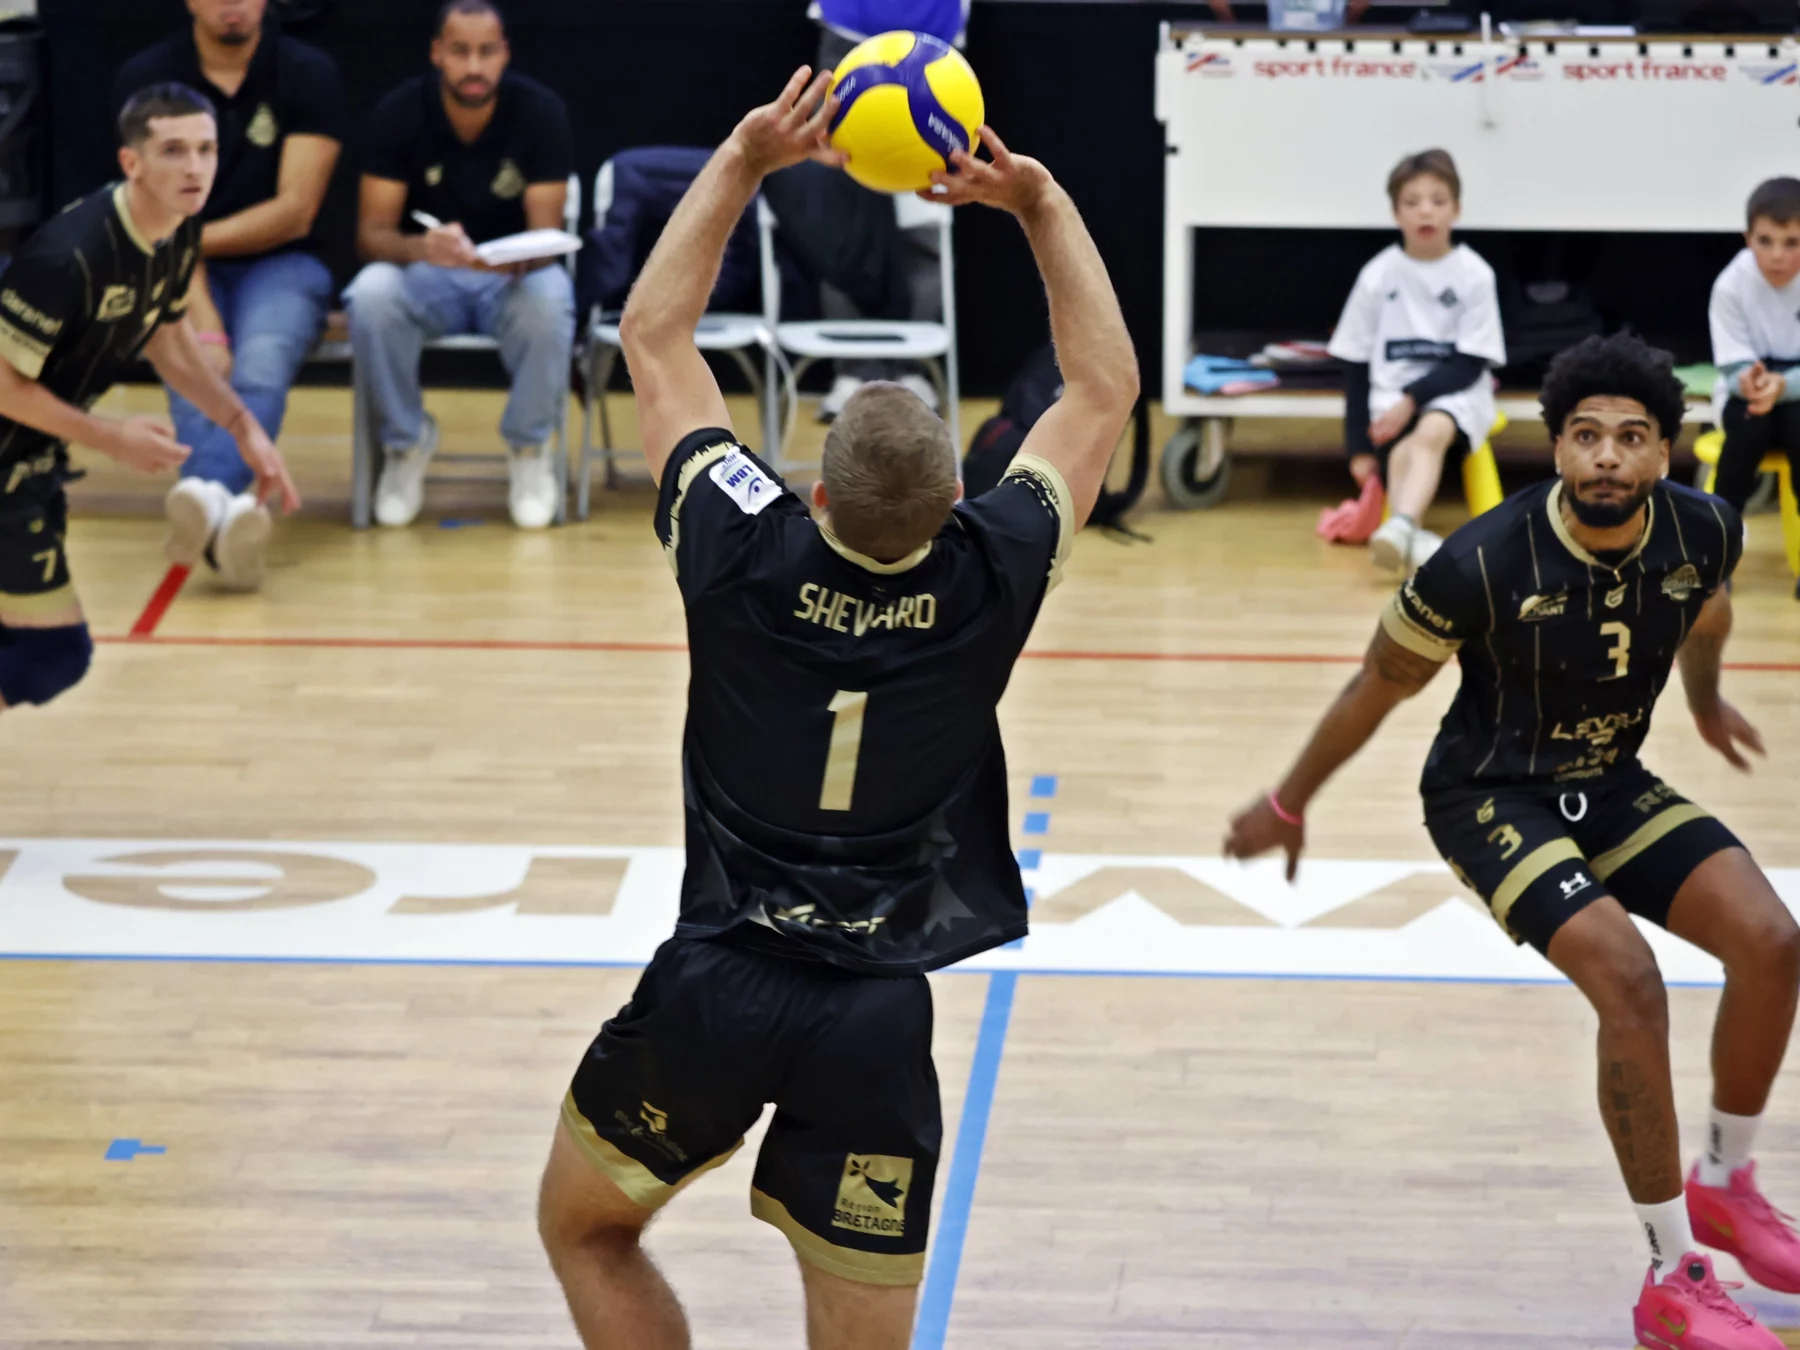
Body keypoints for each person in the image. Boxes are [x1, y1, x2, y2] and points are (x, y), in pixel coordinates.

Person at [534, 69, 1136, 1349]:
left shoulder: (740, 543)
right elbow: (1101, 391)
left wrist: (749, 158)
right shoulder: (992, 572)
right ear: (949, 504)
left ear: (813, 495)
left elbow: (653, 332)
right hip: (875, 1014)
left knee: (586, 1230)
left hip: (719, 982)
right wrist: (1038, 201)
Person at [1225, 332, 1800, 1349]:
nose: (1609, 458)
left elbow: (1707, 616)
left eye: (1632, 438)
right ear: (1558, 449)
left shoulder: (1705, 529)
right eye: (1586, 437)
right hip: (1490, 793)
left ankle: (1724, 1182)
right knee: (1628, 981)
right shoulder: (1480, 560)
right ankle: (1673, 1277)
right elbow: (1378, 684)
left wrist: (1707, 707)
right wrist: (1288, 801)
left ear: (1666, 453)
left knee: (1774, 941)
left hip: (1611, 781)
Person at [0, 84, 296, 712]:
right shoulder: (68, 258)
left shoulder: (179, 233)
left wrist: (241, 424)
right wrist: (112, 437)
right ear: (131, 162)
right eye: (173, 151)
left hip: (28, 465)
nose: (194, 168)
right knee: (48, 654)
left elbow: (168, 340)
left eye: (206, 150)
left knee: (38, 655)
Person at [114, 0, 342, 592]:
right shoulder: (147, 78)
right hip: (172, 264)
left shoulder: (306, 72)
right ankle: (228, 522)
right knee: (195, 367)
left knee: (262, 362)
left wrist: (190, 240)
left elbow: (295, 211)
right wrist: (205, 318)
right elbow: (152, 215)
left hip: (283, 262)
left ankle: (206, 491)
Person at [346, 0, 575, 530]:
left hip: (510, 279)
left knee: (554, 297)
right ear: (437, 54)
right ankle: (406, 443)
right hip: (430, 275)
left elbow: (547, 235)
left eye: (486, 52)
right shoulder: (399, 113)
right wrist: (423, 248)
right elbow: (370, 236)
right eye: (460, 51)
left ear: (504, 55)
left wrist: (503, 258)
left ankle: (529, 447)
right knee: (370, 295)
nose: (473, 66)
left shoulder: (540, 112)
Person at [1328, 149, 1506, 575]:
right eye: (1412, 201)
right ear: (1395, 212)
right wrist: (1357, 447)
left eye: (1438, 200)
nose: (1425, 210)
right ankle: (1410, 541)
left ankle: (1402, 523)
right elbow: (1354, 363)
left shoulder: (1474, 274)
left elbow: (1468, 363)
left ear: (1456, 209)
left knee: (1431, 429)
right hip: (1388, 400)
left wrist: (1410, 401)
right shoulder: (1378, 275)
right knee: (1406, 447)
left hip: (1457, 395)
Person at [800, 0, 970, 422]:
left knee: (924, 217)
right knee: (843, 223)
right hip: (851, 33)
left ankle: (909, 372)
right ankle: (853, 372)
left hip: (936, 43)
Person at [1707, 175, 1800, 599]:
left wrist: (1785, 386)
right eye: (1765, 241)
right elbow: (1732, 366)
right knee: (1746, 435)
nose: (1777, 255)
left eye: (1792, 242)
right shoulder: (1730, 284)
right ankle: (1718, 559)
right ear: (1748, 237)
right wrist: (1750, 380)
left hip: (1796, 391)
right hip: (1753, 391)